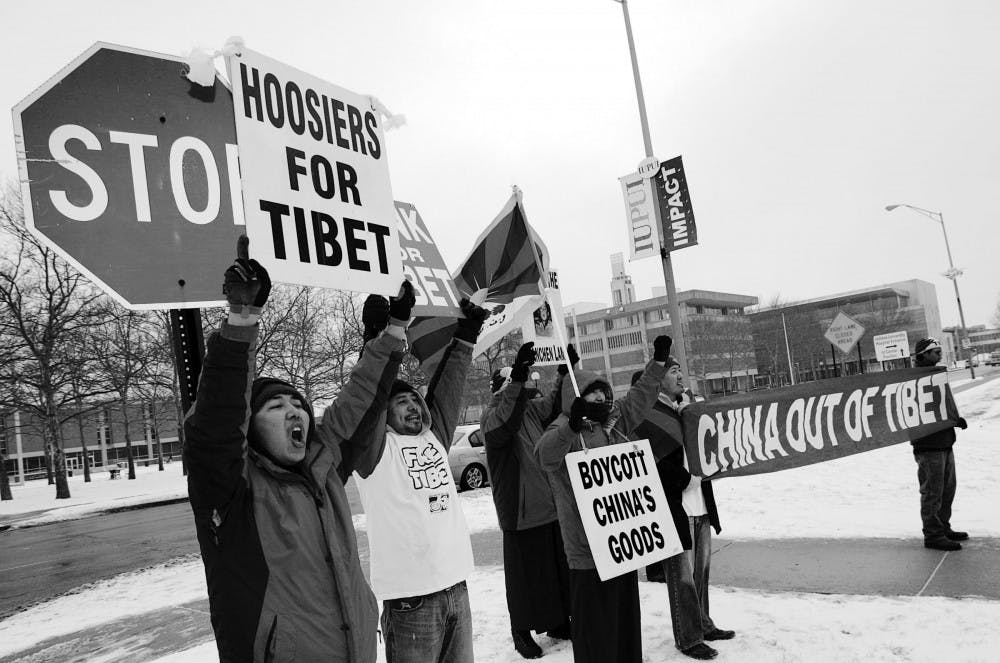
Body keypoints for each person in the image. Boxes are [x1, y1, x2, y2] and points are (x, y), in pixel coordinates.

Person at [184, 236, 413, 663]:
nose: (295, 413)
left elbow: (360, 403)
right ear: (249, 428)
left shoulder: (325, 469)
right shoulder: (232, 493)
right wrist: (241, 321)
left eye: (299, 405)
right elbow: (216, 422)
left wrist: (394, 333)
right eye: (275, 406)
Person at [353, 297, 488, 663]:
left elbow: (448, 388)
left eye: (415, 399)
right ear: (384, 413)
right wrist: (378, 339)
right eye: (402, 402)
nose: (413, 405)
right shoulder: (374, 451)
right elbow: (366, 398)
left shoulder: (434, 438)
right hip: (412, 602)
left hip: (456, 590)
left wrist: (466, 335)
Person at [535, 335, 671, 663]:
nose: (601, 396)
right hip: (586, 552)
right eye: (593, 392)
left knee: (623, 621)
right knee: (595, 628)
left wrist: (658, 363)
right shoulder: (563, 429)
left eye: (604, 391)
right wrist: (571, 425)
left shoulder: (615, 421)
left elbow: (639, 398)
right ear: (576, 398)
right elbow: (544, 456)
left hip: (621, 545)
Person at [630, 363, 734, 661]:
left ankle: (703, 624)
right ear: (656, 381)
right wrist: (686, 480)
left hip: (700, 504)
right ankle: (688, 638)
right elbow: (652, 462)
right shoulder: (647, 417)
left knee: (701, 572)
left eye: (679, 371)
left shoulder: (685, 412)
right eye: (672, 371)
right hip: (675, 506)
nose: (680, 375)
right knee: (682, 579)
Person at [482, 342, 578, 659]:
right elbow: (505, 421)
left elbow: (552, 404)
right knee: (524, 580)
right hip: (520, 514)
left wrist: (565, 373)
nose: (521, 386)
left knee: (554, 572)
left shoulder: (530, 410)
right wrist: (517, 378)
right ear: (500, 389)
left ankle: (556, 621)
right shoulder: (491, 419)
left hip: (549, 507)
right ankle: (520, 631)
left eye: (521, 379)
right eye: (513, 380)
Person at [910, 337, 969, 551]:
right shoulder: (912, 380)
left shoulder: (936, 376)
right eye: (935, 351)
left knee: (947, 489)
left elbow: (940, 405)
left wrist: (954, 420)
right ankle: (933, 535)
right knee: (932, 492)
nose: (939, 354)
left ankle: (943, 527)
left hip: (944, 441)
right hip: (928, 445)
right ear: (923, 355)